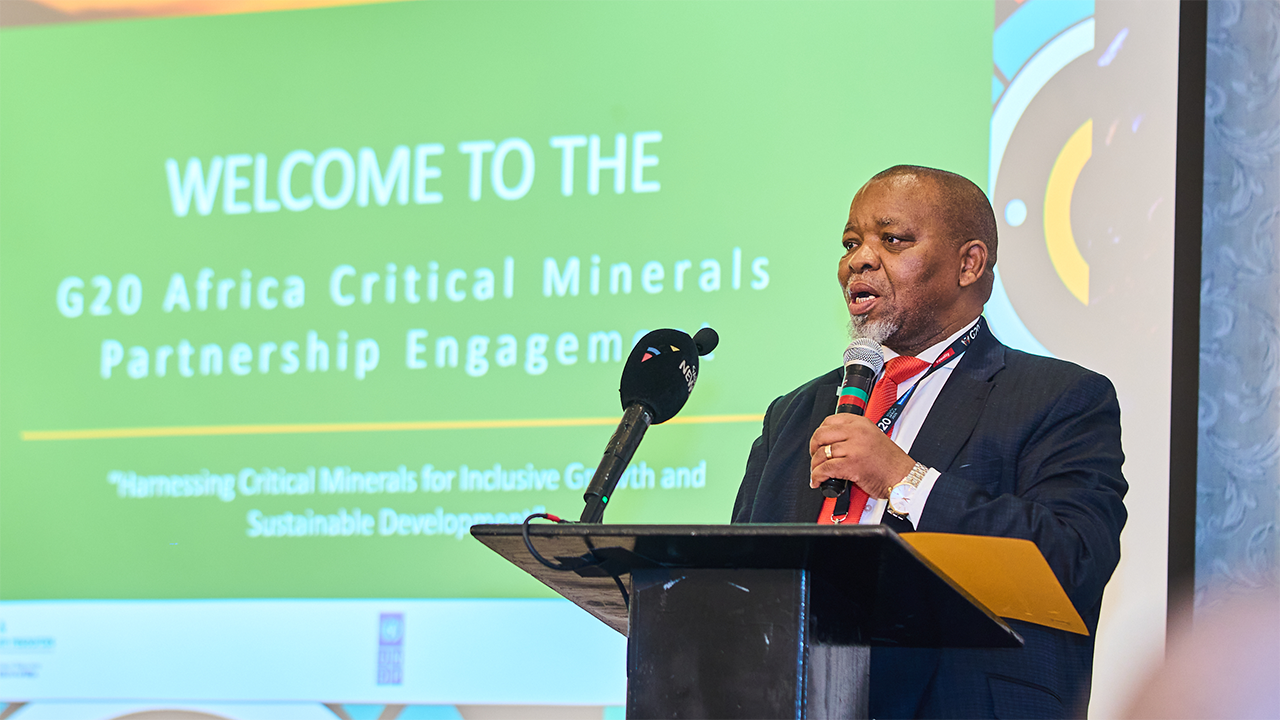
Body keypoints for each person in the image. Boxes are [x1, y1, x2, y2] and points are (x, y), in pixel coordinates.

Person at [732, 165, 1128, 719]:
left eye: (891, 240)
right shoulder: (793, 415)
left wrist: (904, 479)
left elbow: (1073, 562)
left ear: (970, 263)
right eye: (851, 242)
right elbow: (735, 581)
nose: (858, 260)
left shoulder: (1059, 397)